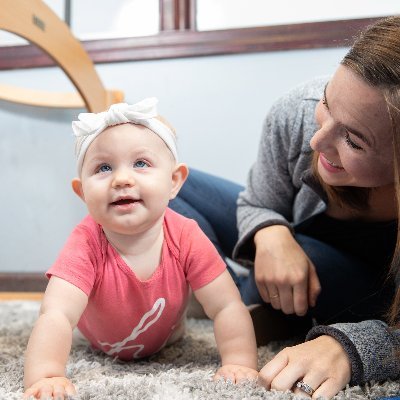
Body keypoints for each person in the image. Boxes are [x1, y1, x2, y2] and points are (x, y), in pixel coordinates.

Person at [170, 16, 400, 399]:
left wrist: (350, 347)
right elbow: (258, 201)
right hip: (295, 245)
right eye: (328, 102)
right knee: (164, 182)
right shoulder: (296, 111)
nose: (318, 141)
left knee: (310, 255)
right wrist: (270, 234)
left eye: (354, 142)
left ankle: (256, 299)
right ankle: (229, 296)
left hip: (370, 289)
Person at [23, 99, 258, 400]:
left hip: (169, 337)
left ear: (174, 182)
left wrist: (239, 362)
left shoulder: (186, 234)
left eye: (141, 163)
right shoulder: (85, 242)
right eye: (103, 167)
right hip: (99, 341)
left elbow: (226, 306)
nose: (122, 179)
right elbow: (56, 313)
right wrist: (47, 376)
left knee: (213, 298)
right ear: (82, 192)